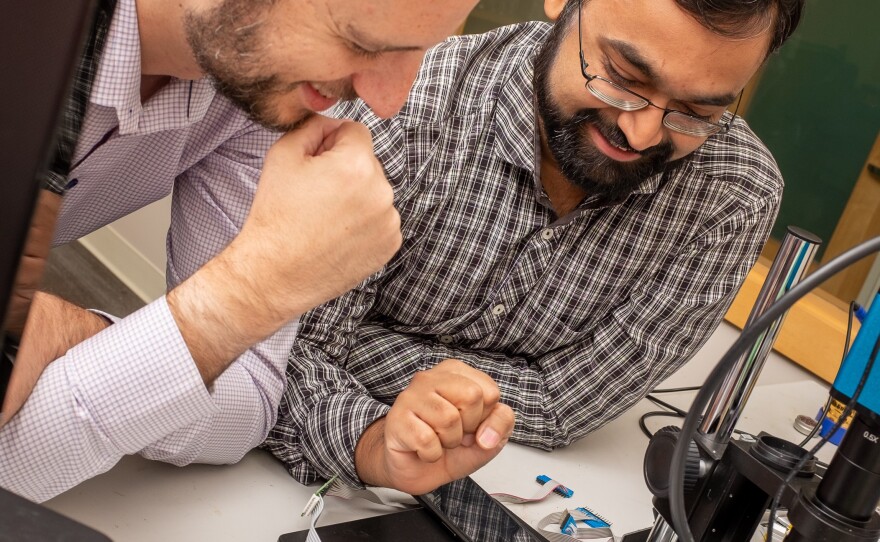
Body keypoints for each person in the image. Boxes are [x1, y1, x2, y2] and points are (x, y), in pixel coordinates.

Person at [263, 0, 805, 495]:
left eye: (698, 113)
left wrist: (357, 355)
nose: (641, 135)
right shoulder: (410, 104)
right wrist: (373, 435)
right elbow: (275, 356)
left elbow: (564, 405)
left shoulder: (733, 196)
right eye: (622, 76)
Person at [0, 0, 519, 504]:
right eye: (359, 41)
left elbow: (246, 402)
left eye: (421, 51)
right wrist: (242, 297)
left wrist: (68, 330)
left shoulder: (252, 90)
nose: (387, 103)